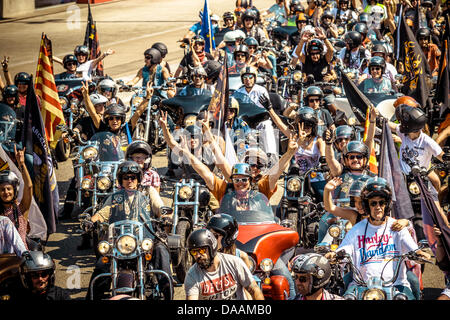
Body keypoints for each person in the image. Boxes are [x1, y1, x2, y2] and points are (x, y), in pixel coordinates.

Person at [326, 177, 432, 300]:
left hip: (396, 285)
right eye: (373, 203)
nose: (378, 207)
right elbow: (344, 249)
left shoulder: (397, 228)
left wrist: (420, 253)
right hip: (360, 286)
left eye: (381, 203)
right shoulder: (357, 229)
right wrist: (333, 255)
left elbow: (412, 249)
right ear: (367, 205)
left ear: (387, 205)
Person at [85, 160, 173, 300]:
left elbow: (160, 207)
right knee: (101, 265)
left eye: (133, 177)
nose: (130, 180)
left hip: (145, 238)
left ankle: (168, 292)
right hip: (121, 241)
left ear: (138, 179)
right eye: (126, 177)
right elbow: (103, 213)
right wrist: (91, 221)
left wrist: (166, 216)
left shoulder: (148, 191)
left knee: (161, 251)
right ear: (121, 180)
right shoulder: (115, 197)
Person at [184, 228, 264, 300]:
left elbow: (254, 289)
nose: (198, 255)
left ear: (212, 247)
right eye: (194, 252)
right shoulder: (192, 275)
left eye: (202, 250)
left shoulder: (234, 262)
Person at [3, 250, 70, 300]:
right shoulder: (17, 294)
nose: (40, 279)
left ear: (50, 275)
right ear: (27, 278)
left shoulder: (60, 295)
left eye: (44, 274)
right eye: (35, 275)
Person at [0, 146, 33, 249]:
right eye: (2, 189)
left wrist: (21, 164)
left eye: (9, 189)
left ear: (14, 191)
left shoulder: (21, 208)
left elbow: (29, 187)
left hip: (21, 259)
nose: (6, 192)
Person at [125, 140, 165, 217]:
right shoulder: (124, 175)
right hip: (126, 207)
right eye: (136, 157)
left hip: (147, 210)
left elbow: (155, 198)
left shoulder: (153, 175)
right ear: (130, 159)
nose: (139, 160)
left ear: (147, 159)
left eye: (143, 157)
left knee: (150, 190)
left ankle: (165, 218)